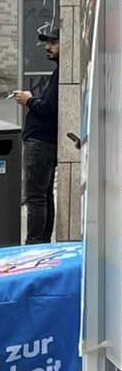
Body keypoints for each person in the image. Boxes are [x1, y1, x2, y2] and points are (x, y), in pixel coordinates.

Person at [14, 23, 60, 243]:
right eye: (47, 43)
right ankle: (40, 241)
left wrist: (29, 100)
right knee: (43, 195)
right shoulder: (58, 72)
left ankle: (34, 243)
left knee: (36, 197)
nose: (47, 47)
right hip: (44, 142)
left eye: (53, 42)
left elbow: (50, 109)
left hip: (41, 142)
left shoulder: (62, 73)